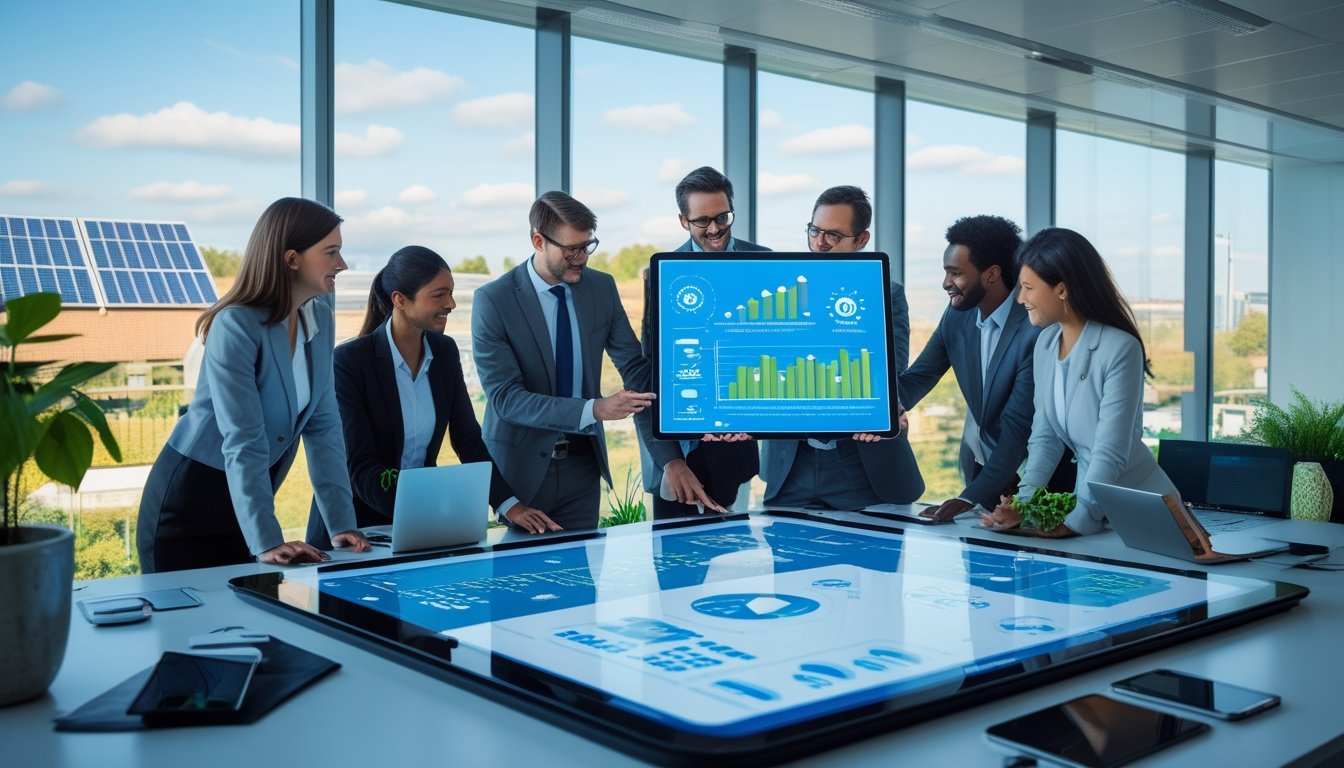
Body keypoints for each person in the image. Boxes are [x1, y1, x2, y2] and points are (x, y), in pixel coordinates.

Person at [137, 197, 369, 573]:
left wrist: (341, 524)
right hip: (191, 503)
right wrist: (267, 540)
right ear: (291, 259)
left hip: (250, 502)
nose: (341, 264)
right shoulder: (236, 325)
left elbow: (325, 428)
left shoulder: (321, 318)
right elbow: (243, 438)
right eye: (331, 252)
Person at [472, 191, 714, 531]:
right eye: (572, 249)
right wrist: (595, 409)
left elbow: (636, 373)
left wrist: (671, 459)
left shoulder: (601, 288)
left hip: (583, 468)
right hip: (521, 473)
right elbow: (507, 399)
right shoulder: (494, 300)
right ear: (538, 241)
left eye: (587, 246)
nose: (582, 258)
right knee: (521, 565)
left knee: (583, 564)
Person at [305, 246, 553, 546]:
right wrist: (426, 513)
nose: (451, 304)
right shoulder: (350, 361)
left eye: (451, 293)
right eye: (438, 295)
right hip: (354, 531)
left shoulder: (444, 352)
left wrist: (508, 504)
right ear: (400, 300)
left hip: (418, 524)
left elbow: (468, 440)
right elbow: (360, 465)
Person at [978, 227, 1180, 536]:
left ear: (1061, 289)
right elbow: (1044, 438)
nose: (1020, 298)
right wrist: (1021, 505)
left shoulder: (1120, 348)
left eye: (1029, 288)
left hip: (1144, 510)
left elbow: (1110, 450)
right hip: (1093, 510)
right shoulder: (1046, 343)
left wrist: (1075, 521)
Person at [899, 215, 1074, 523]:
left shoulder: (1035, 331)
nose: (945, 283)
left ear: (991, 275)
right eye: (946, 271)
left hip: (1040, 476)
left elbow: (1018, 427)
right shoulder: (957, 315)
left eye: (955, 273)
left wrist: (967, 498)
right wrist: (871, 406)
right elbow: (920, 376)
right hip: (985, 469)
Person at [758, 186, 924, 509]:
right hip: (791, 464)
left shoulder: (886, 294)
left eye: (833, 235)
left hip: (860, 464)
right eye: (814, 231)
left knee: (871, 544)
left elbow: (891, 372)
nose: (820, 242)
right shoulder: (781, 294)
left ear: (861, 240)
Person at [639, 166, 764, 519]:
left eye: (722, 217)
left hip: (736, 445)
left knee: (735, 549)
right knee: (674, 551)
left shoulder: (764, 262)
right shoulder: (663, 273)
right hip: (680, 448)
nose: (714, 229)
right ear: (683, 221)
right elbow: (650, 368)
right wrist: (670, 459)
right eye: (702, 220)